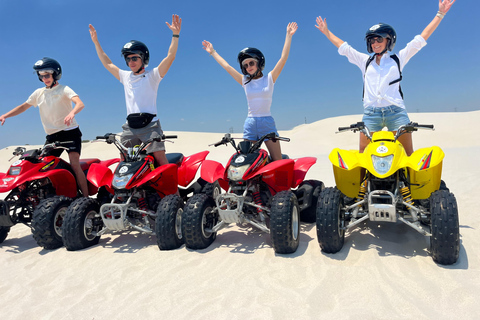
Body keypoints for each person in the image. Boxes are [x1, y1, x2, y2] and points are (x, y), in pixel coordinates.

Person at [315, 0, 456, 156]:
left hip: (395, 111)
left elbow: (421, 39)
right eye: (372, 40)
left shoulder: (398, 59)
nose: (375, 43)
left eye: (379, 39)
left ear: (389, 40)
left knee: (406, 154)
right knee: (364, 154)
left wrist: (440, 14)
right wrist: (326, 32)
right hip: (371, 113)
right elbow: (344, 48)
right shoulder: (364, 61)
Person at [88, 14, 182, 166]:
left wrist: (175, 35)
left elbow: (170, 56)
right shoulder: (125, 77)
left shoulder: (153, 75)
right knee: (124, 161)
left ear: (143, 58)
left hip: (150, 125)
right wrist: (96, 42)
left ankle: (172, 191)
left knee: (159, 158)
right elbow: (108, 63)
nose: (130, 62)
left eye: (134, 58)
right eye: (128, 59)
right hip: (130, 127)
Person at [202, 22, 298, 161]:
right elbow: (227, 67)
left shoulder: (269, 79)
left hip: (267, 123)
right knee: (246, 160)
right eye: (245, 65)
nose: (249, 67)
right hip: (250, 124)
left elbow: (283, 59)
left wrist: (288, 36)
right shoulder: (245, 81)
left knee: (277, 160)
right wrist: (213, 52)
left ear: (259, 63)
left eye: (251, 63)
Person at [0, 57, 89, 196]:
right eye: (41, 76)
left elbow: (80, 103)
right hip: (52, 136)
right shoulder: (38, 93)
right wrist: (5, 115)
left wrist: (72, 112)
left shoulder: (64, 89)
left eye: (47, 75)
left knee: (74, 164)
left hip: (70, 132)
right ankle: (46, 198)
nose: (44, 78)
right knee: (42, 167)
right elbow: (23, 106)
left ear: (55, 74)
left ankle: (86, 198)